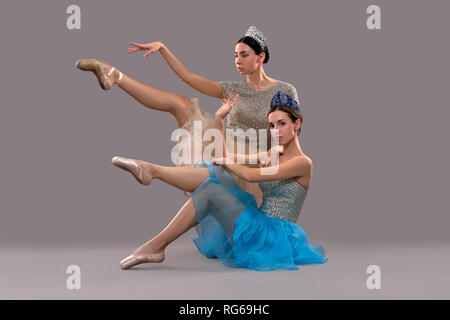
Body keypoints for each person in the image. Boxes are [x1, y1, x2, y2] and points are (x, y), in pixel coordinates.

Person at [76, 26, 301, 262]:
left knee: (219, 167)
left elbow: (291, 132)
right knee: (181, 104)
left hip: (257, 166)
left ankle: (153, 174)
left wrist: (284, 172)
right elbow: (187, 77)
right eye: (235, 55)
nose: (238, 61)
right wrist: (162, 48)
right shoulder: (233, 89)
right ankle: (115, 75)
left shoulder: (284, 90)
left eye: (244, 55)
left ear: (261, 57)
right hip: (225, 149)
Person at [113, 92, 328, 271]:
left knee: (210, 187)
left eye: (281, 124)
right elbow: (228, 157)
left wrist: (226, 161)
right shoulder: (274, 153)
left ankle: (156, 241)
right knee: (213, 168)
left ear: (297, 124)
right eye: (271, 126)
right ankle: (152, 171)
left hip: (272, 237)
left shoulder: (303, 163)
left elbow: (251, 175)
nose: (275, 131)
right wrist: (219, 119)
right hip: (256, 223)